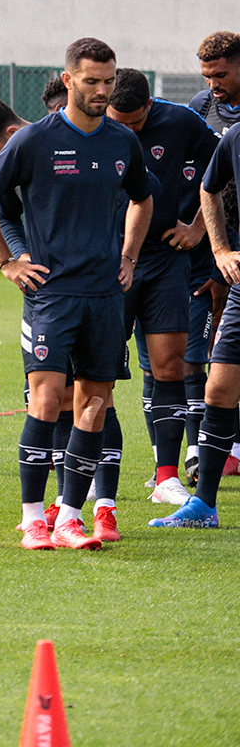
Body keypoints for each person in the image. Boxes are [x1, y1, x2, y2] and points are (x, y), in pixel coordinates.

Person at [0, 37, 153, 550]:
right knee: (47, 399)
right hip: (52, 294)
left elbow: (143, 197)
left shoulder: (122, 141)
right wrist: (8, 261)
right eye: (91, 81)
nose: (101, 90)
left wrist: (129, 256)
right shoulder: (34, 141)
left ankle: (71, 516)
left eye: (108, 81)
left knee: (95, 402)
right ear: (68, 80)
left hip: (106, 295)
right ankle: (33, 520)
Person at [104, 69, 217, 514]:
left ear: (150, 107)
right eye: (120, 122)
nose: (128, 132)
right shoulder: (89, 129)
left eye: (136, 123)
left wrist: (198, 228)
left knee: (170, 365)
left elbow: (222, 167)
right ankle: (93, 472)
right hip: (106, 264)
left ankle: (166, 478)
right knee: (100, 370)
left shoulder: (182, 123)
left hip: (166, 259)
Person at [151, 105, 240, 529]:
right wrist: (220, 249)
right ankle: (204, 505)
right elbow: (210, 188)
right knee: (218, 389)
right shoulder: (235, 137)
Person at [187, 30, 240, 482]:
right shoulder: (201, 111)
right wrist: (216, 247)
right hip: (227, 250)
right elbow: (205, 184)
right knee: (215, 363)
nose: (213, 84)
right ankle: (208, 482)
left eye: (220, 74)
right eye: (206, 75)